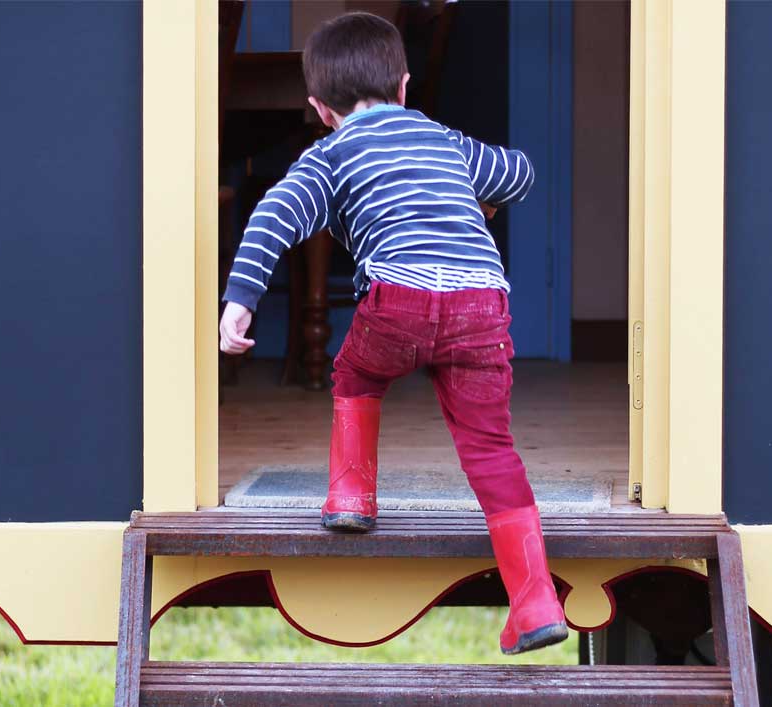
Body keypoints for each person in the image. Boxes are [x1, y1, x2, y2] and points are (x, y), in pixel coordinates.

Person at [218, 11, 567, 655]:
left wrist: (241, 298)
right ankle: (536, 598)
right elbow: (518, 172)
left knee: (356, 372)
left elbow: (276, 212)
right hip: (480, 306)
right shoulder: (447, 141)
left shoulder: (330, 152)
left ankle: (352, 493)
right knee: (490, 448)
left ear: (320, 109)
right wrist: (486, 198)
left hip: (397, 301)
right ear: (406, 87)